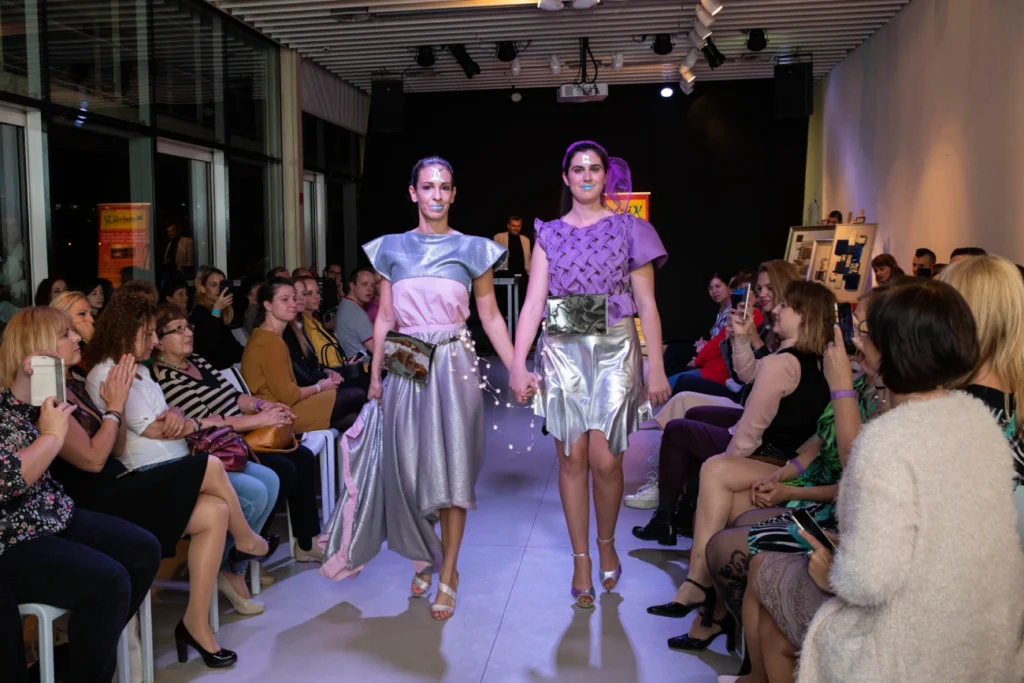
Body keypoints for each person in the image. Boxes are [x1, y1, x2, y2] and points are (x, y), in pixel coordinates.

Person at [767, 281, 1024, 683]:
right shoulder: (981, 421)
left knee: (767, 575)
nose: (858, 343)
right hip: (988, 635)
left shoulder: (888, 439)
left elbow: (868, 581)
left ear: (889, 351)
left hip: (913, 648)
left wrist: (831, 570)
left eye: (865, 334)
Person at [319, 156, 515, 621]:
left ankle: (448, 572)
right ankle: (426, 553)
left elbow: (490, 315)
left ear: (453, 194)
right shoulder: (390, 248)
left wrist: (517, 369)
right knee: (406, 471)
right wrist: (374, 378)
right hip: (405, 365)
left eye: (444, 187)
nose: (436, 195)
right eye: (428, 186)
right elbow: (385, 317)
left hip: (454, 365)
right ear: (413, 193)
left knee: (452, 474)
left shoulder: (473, 249)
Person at [508, 140, 671, 609]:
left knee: (606, 460)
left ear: (605, 175)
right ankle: (581, 560)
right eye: (577, 169)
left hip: (615, 350)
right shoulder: (549, 234)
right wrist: (518, 364)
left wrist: (656, 368)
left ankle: (606, 543)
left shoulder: (630, 229)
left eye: (593, 168)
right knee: (571, 458)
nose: (585, 176)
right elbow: (534, 304)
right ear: (566, 177)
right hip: (563, 351)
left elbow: (648, 305)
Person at [0, 309, 162, 683]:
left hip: (54, 513)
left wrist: (111, 407)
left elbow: (104, 451)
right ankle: (85, 665)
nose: (77, 338)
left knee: (143, 550)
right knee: (110, 582)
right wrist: (52, 434)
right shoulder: (26, 410)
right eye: (66, 334)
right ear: (36, 353)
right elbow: (11, 480)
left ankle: (84, 654)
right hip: (14, 537)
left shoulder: (43, 400)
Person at [189, 267, 244, 370]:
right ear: (202, 288)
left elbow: (232, 347)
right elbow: (210, 346)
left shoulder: (222, 312)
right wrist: (217, 310)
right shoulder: (199, 313)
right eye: (213, 285)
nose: (219, 289)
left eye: (222, 284)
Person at [335, 268, 376, 358]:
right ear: (352, 286)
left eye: (373, 285)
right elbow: (377, 350)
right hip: (363, 365)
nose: (370, 289)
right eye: (364, 284)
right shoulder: (356, 312)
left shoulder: (346, 303)